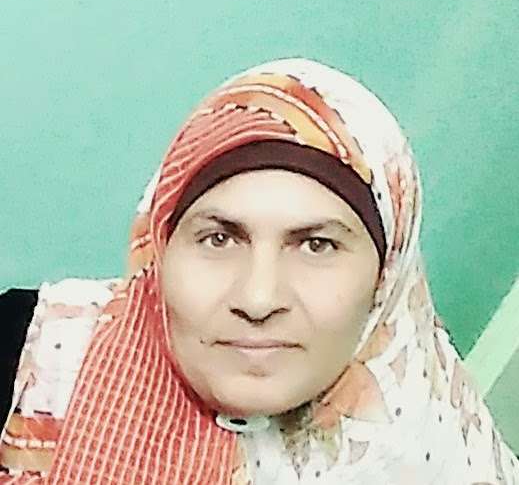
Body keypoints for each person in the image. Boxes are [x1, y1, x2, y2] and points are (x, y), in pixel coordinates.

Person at [0, 58, 517, 484]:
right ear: (160, 249)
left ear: (386, 281)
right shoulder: (30, 356)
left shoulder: (449, 460)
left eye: (317, 245)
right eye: (219, 238)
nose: (258, 298)